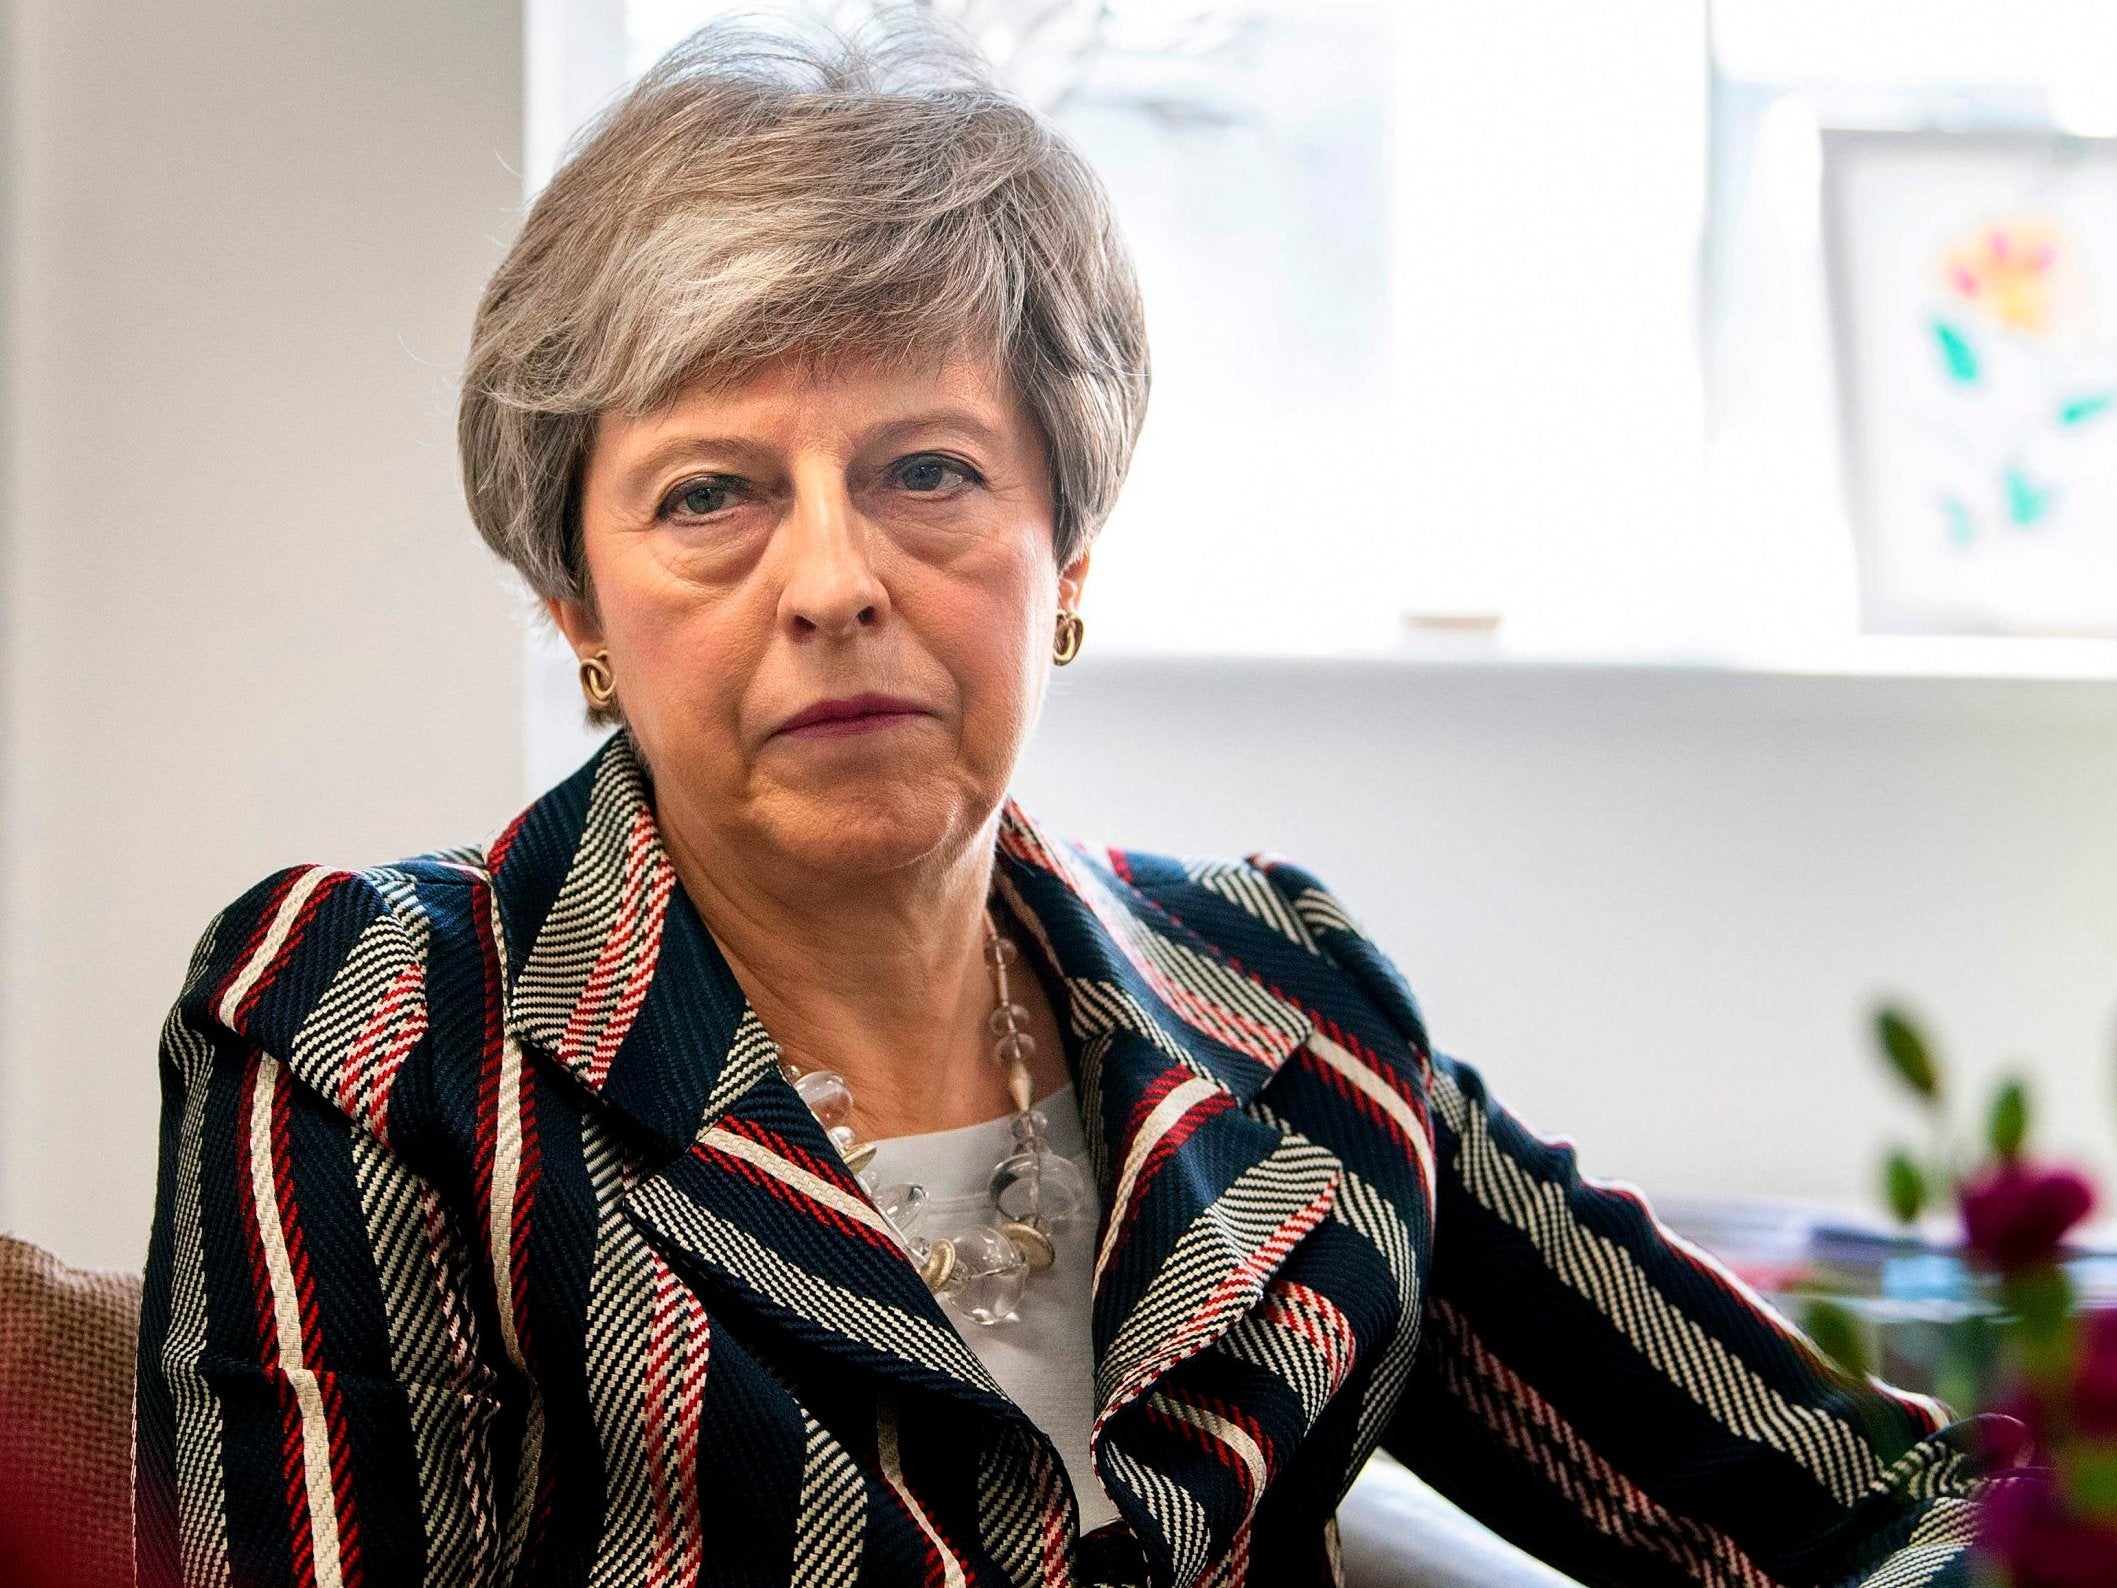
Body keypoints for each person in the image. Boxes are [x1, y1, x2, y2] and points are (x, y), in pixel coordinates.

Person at [135, 17, 1993, 1587]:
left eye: (927, 470)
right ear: (575, 607)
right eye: (710, 496)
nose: (831, 581)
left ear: (1069, 554)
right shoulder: (367, 1029)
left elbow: (1860, 1518)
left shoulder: (1292, 1008)